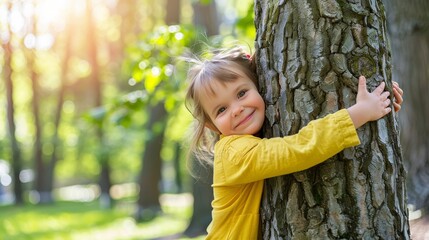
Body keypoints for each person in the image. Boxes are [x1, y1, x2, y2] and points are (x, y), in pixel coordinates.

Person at [184, 47, 404, 239]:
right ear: (213, 126)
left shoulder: (249, 139)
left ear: (261, 86)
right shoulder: (234, 153)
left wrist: (381, 100)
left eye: (242, 93)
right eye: (221, 110)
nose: (237, 109)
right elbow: (297, 150)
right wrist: (359, 114)